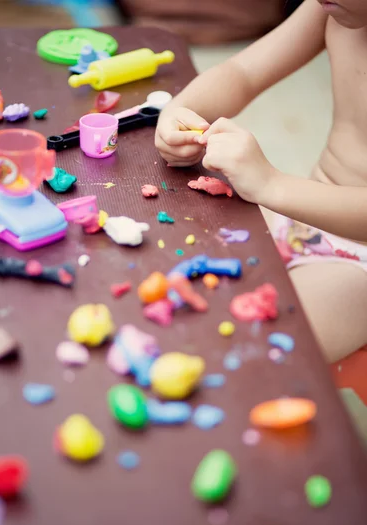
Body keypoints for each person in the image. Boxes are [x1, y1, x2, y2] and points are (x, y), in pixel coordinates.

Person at [155, 0, 367, 364]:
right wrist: (180, 111)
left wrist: (271, 185)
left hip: (359, 267)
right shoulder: (333, 10)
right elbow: (243, 72)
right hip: (305, 213)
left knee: (256, 346)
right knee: (169, 250)